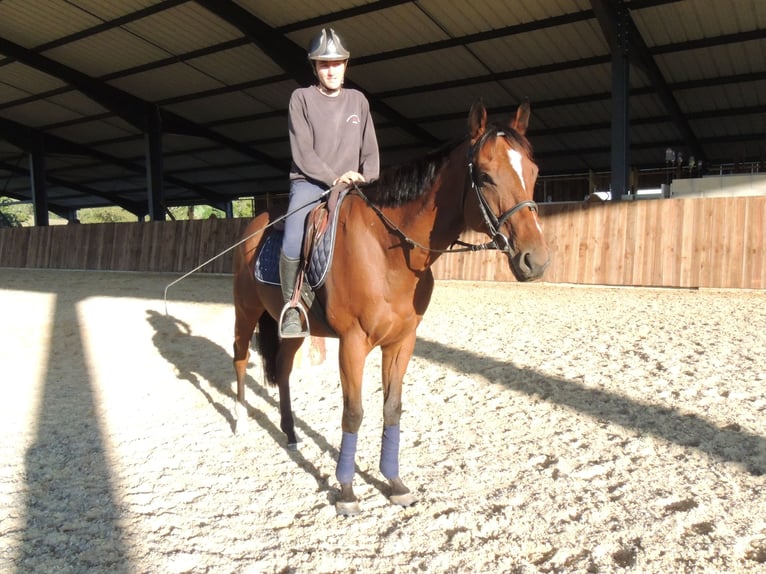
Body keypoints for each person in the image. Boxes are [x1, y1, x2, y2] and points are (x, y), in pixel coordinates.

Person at [279, 27, 380, 338]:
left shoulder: (358, 101)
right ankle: (293, 307)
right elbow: (303, 152)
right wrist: (334, 177)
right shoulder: (301, 99)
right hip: (311, 183)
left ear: (345, 65)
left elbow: (371, 150)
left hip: (354, 185)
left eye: (336, 63)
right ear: (315, 67)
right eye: (324, 64)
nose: (331, 70)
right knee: (295, 230)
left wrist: (366, 178)